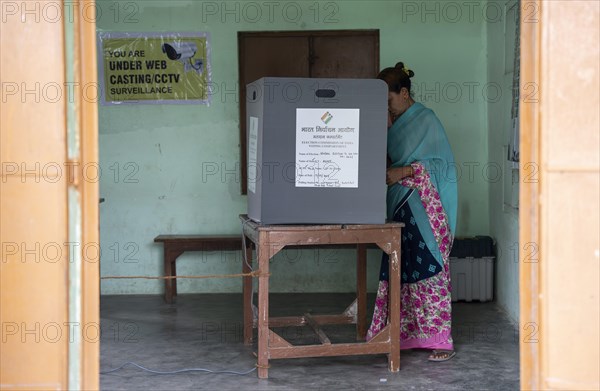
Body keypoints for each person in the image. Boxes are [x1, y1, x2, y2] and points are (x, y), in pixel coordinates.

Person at [367, 62, 458, 362]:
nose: (387, 108)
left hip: (424, 206)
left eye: (389, 101)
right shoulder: (390, 123)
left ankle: (440, 339)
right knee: (400, 269)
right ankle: (402, 335)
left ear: (404, 93)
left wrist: (402, 172)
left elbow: (439, 165)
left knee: (428, 266)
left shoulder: (427, 121)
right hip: (399, 206)